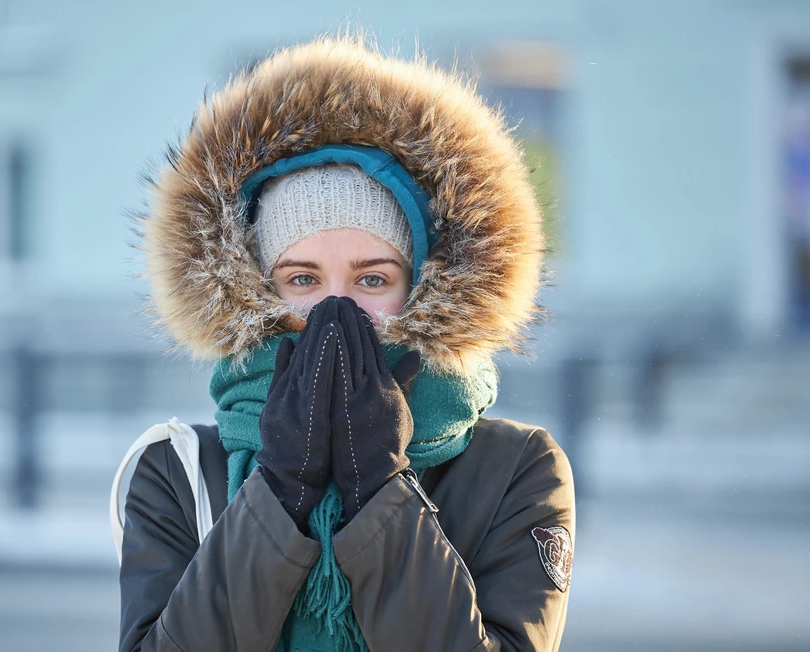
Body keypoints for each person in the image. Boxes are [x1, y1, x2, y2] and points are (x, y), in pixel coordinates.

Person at [117, 34, 575, 652]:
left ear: (425, 287)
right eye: (302, 278)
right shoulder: (179, 474)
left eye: (372, 278)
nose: (337, 311)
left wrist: (381, 489)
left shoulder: (514, 471)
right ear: (252, 290)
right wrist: (278, 492)